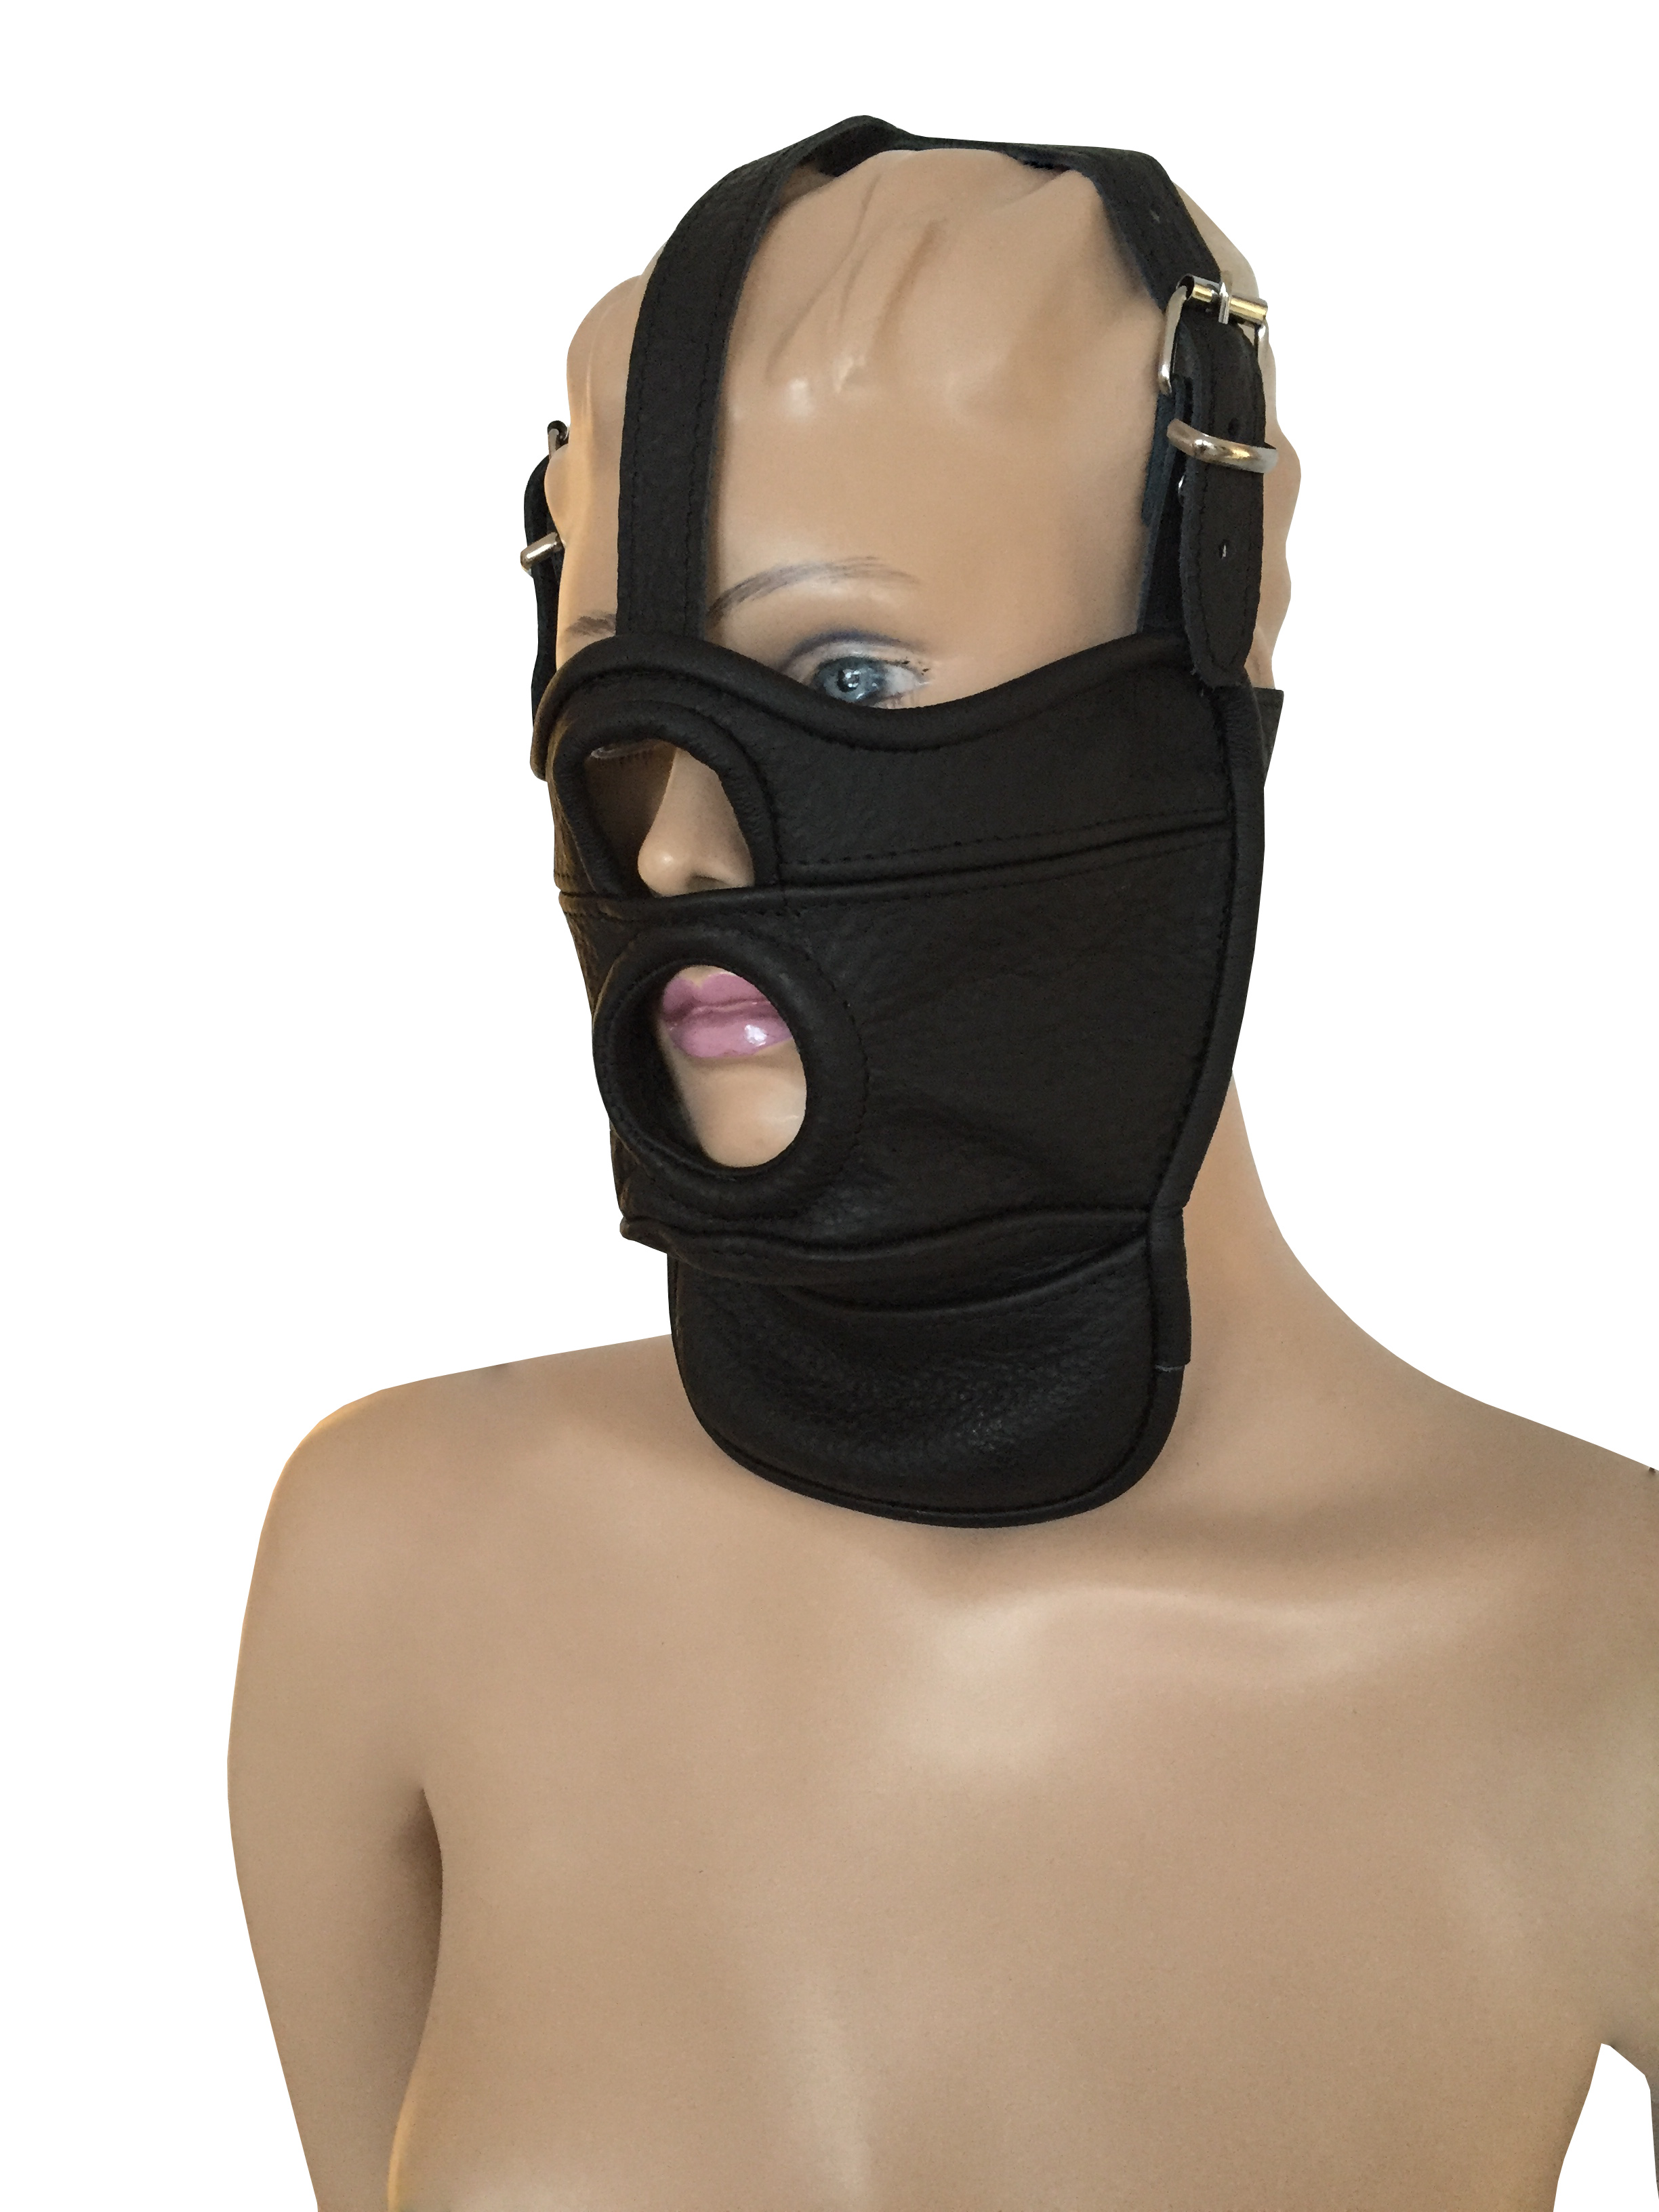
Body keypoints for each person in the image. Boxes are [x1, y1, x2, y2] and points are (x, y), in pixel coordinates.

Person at [230, 137, 1658, 2212]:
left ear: (1228, 609)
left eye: (849, 680)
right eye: (620, 700)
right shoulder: (401, 1561)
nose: (678, 850)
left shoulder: (1606, 1655)